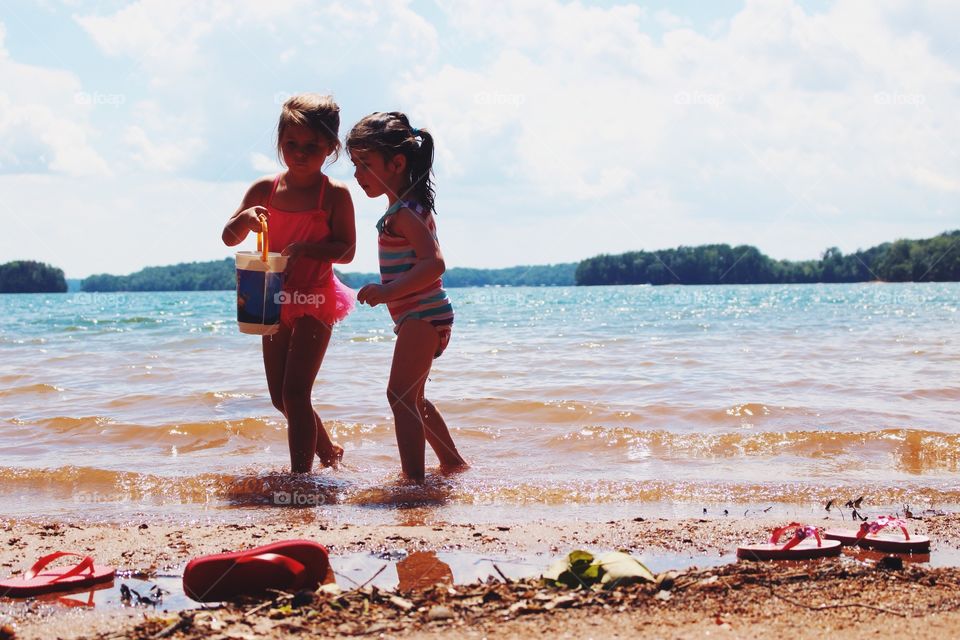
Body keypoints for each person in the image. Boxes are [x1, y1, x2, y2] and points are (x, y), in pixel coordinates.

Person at [222, 94, 355, 473]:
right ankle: (329, 452)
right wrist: (244, 219)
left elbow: (346, 251)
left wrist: (309, 249)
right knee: (281, 398)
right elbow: (229, 238)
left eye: (312, 146)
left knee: (297, 393)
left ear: (331, 147)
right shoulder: (264, 189)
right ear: (279, 141)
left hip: (315, 298)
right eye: (291, 144)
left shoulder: (334, 195)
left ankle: (302, 479)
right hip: (270, 298)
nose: (299, 153)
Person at [346, 111, 467, 482]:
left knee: (398, 396)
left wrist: (388, 292)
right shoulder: (402, 210)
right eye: (355, 164)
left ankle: (413, 481)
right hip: (424, 317)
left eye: (365, 164)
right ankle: (452, 464)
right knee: (412, 399)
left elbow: (434, 264)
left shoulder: (404, 214)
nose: (357, 174)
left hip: (422, 316)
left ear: (396, 163)